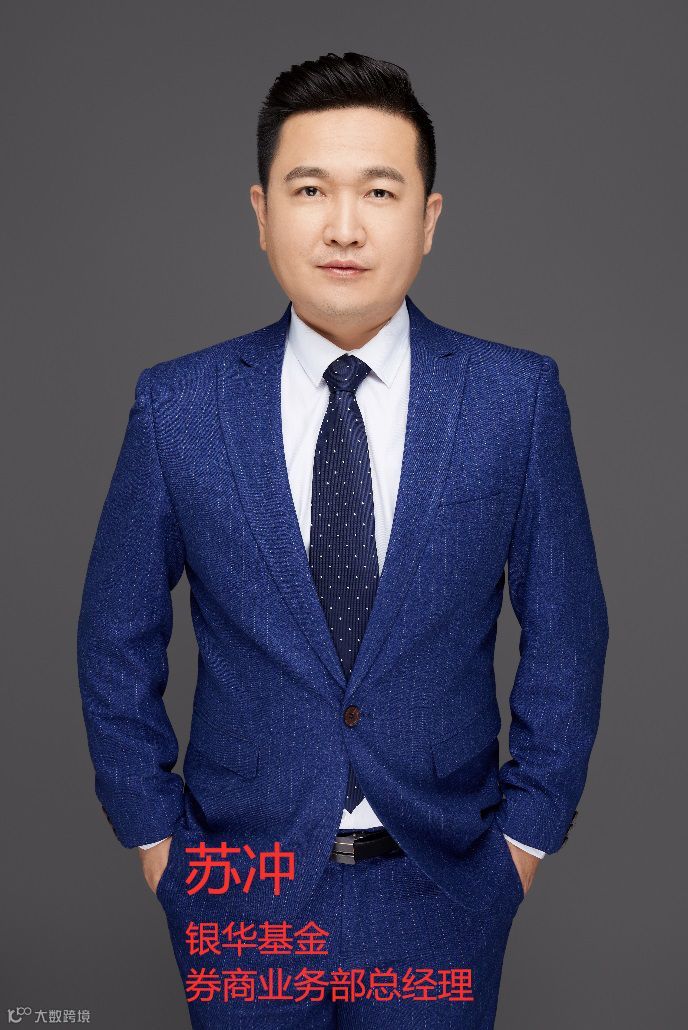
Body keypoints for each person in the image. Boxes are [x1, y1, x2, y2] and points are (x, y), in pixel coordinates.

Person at [77, 51, 609, 1029]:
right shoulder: (180, 406)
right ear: (261, 212)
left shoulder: (514, 399)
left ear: (428, 218)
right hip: (239, 892)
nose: (344, 226)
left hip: (441, 890)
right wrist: (158, 845)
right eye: (310, 188)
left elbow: (568, 633)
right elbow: (115, 636)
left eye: (379, 191)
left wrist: (523, 845)